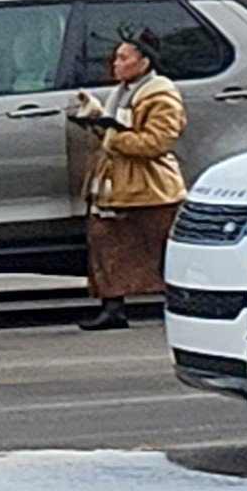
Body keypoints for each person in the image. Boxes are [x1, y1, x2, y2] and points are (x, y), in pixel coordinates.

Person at [68, 30, 186, 330]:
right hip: (113, 184)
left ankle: (176, 304)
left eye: (123, 58)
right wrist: (95, 114)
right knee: (106, 243)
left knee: (157, 247)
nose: (115, 64)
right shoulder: (122, 91)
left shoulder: (161, 95)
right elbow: (118, 132)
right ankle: (112, 307)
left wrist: (112, 134)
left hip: (149, 188)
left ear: (144, 62)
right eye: (115, 57)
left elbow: (156, 142)